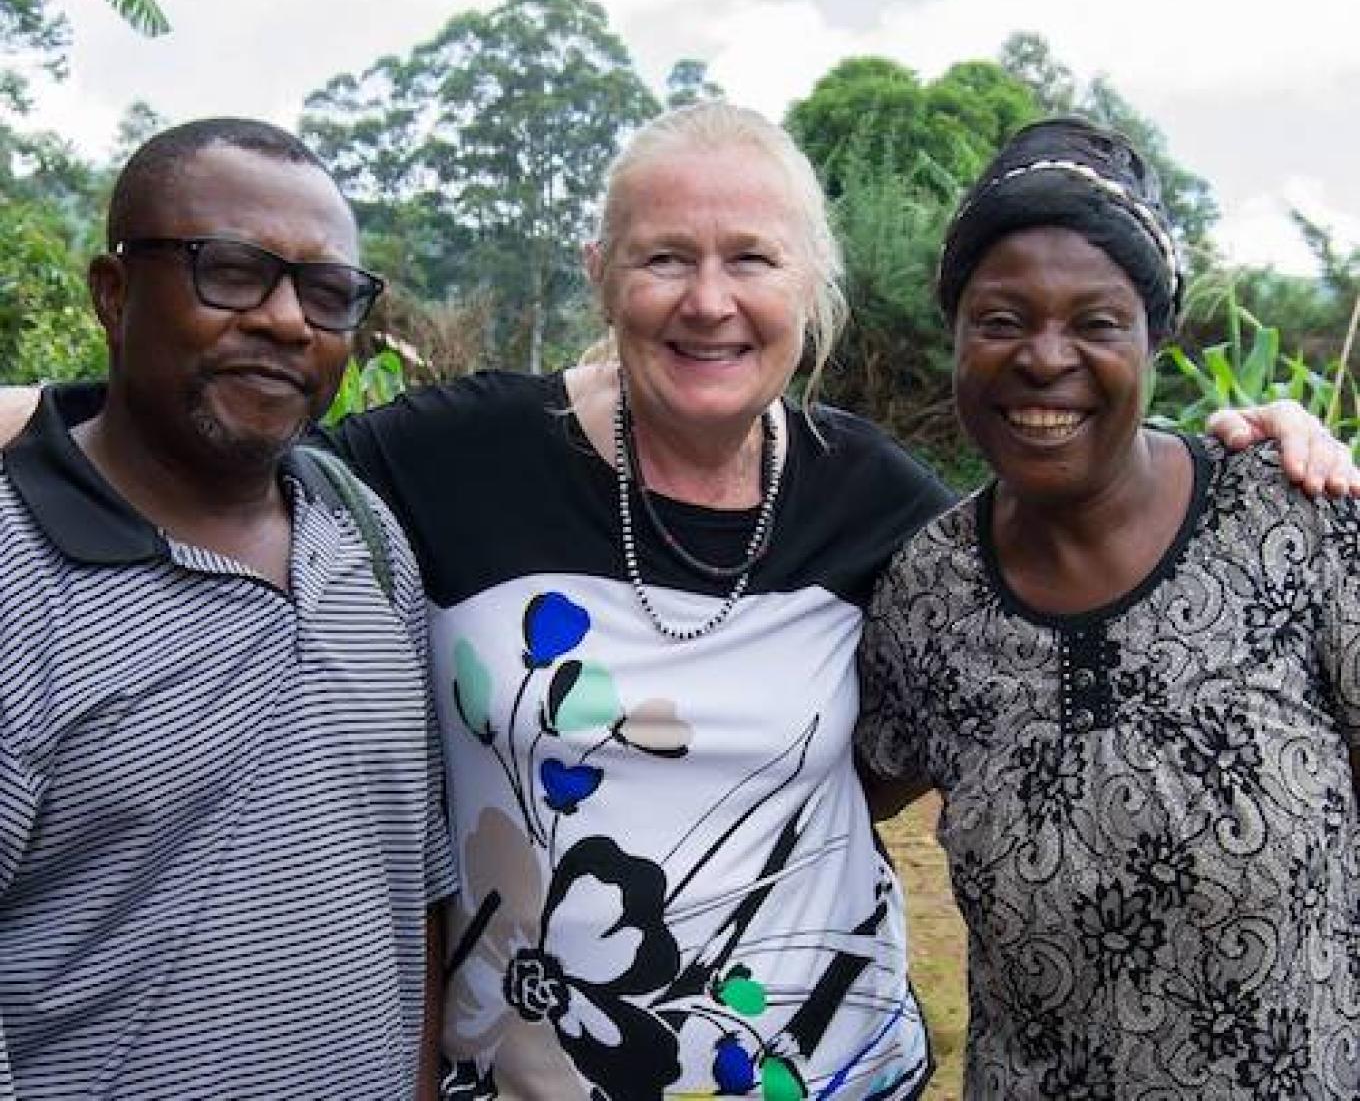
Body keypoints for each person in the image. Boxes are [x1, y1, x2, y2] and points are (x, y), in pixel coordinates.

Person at [0, 105, 1350, 1101]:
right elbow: (215, 449)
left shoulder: (883, 506)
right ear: (602, 274)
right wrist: (37, 414)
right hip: (514, 1071)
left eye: (752, 260)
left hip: (823, 1072)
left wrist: (1259, 437)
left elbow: (1049, 536)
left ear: (805, 291)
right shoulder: (444, 457)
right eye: (665, 258)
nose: (709, 301)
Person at [855, 116, 1360, 1098]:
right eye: (1001, 319)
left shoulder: (1292, 521)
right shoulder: (926, 594)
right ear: (954, 335)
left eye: (1094, 321)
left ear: (1155, 336)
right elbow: (814, 804)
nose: (1046, 357)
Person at [0, 119, 457, 1100]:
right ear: (112, 295)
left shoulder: (364, 534)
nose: (290, 320)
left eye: (327, 291)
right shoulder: (16, 572)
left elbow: (411, 886)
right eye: (234, 271)